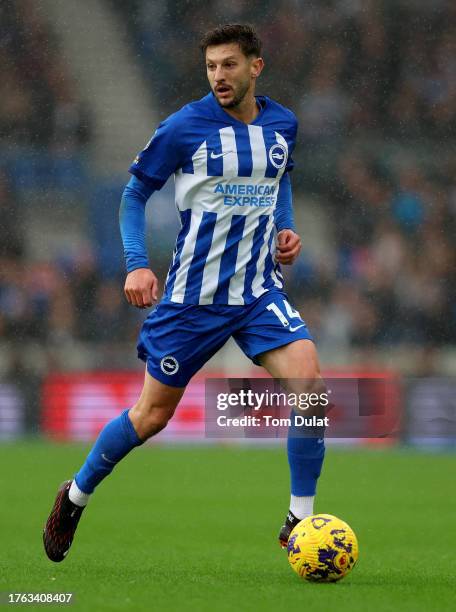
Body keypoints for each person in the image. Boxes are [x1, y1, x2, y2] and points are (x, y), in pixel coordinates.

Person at [43, 23, 325, 562]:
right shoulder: (185, 126)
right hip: (193, 298)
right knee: (151, 417)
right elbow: (134, 194)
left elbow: (280, 177)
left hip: (257, 291)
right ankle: (75, 496)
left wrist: (284, 228)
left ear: (255, 67)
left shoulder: (282, 123)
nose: (219, 76)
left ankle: (300, 521)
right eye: (212, 67)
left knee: (309, 381)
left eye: (229, 65)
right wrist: (135, 265)